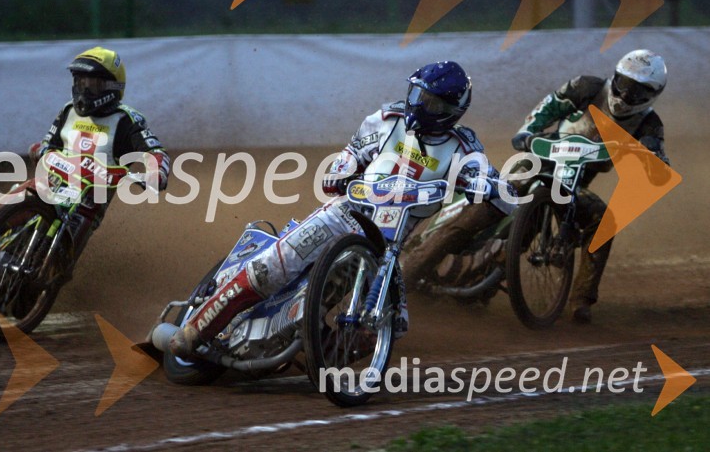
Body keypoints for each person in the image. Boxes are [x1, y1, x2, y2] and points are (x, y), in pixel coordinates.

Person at [169, 60, 513, 359]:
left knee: (388, 321)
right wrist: (342, 170)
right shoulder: (386, 119)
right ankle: (193, 333)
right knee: (270, 268)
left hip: (386, 244)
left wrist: (488, 188)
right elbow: (349, 156)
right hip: (344, 213)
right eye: (418, 95)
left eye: (433, 103)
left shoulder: (462, 148)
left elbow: (504, 195)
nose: (421, 106)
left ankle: (314, 360)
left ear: (452, 111)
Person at [403, 49, 670, 324]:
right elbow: (549, 107)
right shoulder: (587, 87)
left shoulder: (649, 124)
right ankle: (407, 274)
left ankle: (581, 300)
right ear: (615, 77)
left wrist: (652, 160)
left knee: (603, 221)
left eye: (638, 92)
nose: (626, 96)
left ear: (652, 95)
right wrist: (527, 132)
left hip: (574, 186)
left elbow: (659, 167)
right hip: (535, 166)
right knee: (485, 208)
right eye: (624, 85)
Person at [0, 46, 171, 308]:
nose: (83, 90)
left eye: (92, 84)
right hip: (46, 186)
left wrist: (154, 172)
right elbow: (47, 143)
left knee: (47, 279)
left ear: (112, 88)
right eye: (79, 82)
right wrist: (41, 150)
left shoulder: (127, 120)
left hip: (86, 207)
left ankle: (22, 295)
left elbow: (155, 152)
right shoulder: (68, 111)